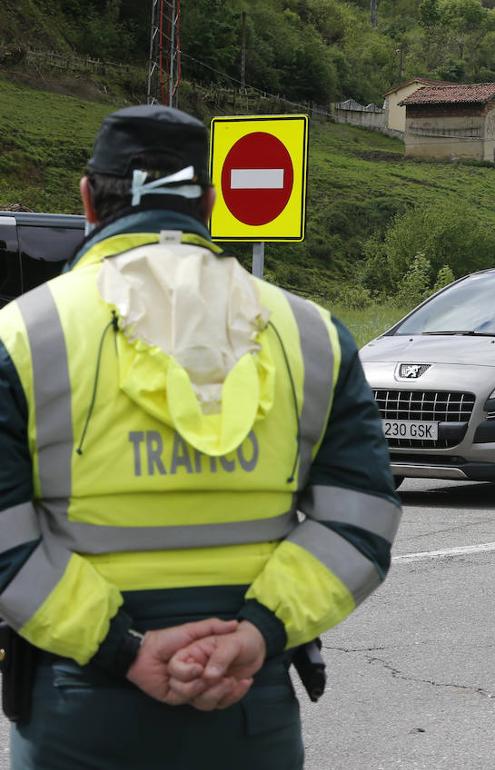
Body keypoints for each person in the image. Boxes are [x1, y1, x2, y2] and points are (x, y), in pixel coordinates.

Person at [0, 105, 400, 769]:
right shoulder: (312, 335)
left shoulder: (24, 336)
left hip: (80, 709)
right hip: (247, 698)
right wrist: (255, 635)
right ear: (209, 204)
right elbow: (362, 522)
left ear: (87, 201)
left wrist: (125, 651)